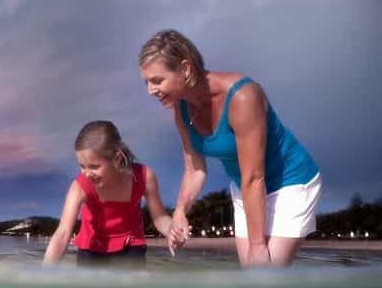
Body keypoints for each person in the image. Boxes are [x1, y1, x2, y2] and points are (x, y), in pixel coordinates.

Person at [138, 29, 322, 267]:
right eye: (146, 82)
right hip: (246, 189)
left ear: (184, 69)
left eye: (157, 80)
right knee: (255, 285)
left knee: (264, 278)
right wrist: (180, 211)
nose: (150, 90)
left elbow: (255, 176)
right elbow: (194, 170)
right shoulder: (180, 111)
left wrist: (257, 246)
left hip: (291, 182)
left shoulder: (243, 96)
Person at [43, 120, 177, 266]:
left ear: (117, 159)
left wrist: (172, 230)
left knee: (131, 287)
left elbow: (160, 218)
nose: (86, 174)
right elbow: (62, 233)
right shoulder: (80, 186)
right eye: (82, 166)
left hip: (131, 246)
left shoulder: (144, 177)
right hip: (91, 248)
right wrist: (43, 274)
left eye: (94, 166)